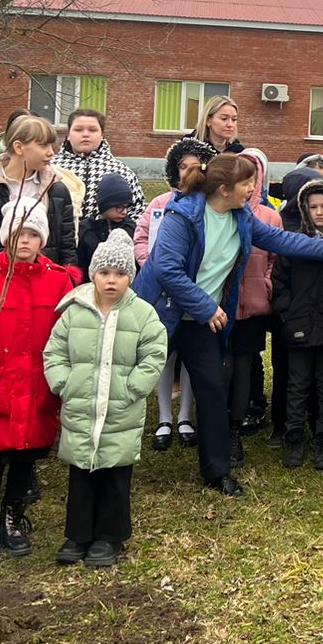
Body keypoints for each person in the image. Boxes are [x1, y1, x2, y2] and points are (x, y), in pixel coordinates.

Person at [134, 153, 323, 497]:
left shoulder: (241, 216)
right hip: (163, 314)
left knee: (213, 389)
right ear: (225, 188)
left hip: (201, 322)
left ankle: (217, 470)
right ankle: (112, 459)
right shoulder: (181, 217)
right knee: (133, 383)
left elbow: (281, 240)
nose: (253, 188)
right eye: (247, 183)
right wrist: (205, 305)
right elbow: (167, 269)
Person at [0, 197, 79, 558]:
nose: (24, 241)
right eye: (17, 234)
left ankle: (13, 512)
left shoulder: (57, 282)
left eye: (32, 234)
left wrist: (58, 372)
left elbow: (67, 330)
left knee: (26, 454)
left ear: (42, 240)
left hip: (38, 383)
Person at [44, 229, 167, 568]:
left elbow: (154, 354)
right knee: (81, 473)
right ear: (93, 274)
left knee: (114, 473)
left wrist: (134, 387)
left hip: (120, 410)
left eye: (120, 273)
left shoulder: (143, 315)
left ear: (131, 276)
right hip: (82, 407)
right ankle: (78, 533)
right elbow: (54, 352)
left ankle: (110, 536)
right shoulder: (74, 311)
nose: (112, 280)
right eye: (105, 273)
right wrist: (64, 382)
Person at [136, 137, 208, 452]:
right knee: (164, 354)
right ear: (174, 170)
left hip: (192, 290)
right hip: (161, 291)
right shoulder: (161, 203)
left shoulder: (208, 205)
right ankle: (164, 416)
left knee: (189, 358)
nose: (189, 171)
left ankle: (184, 416)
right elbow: (141, 237)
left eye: (196, 166)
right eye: (183, 166)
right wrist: (150, 264)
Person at [270, 177, 323, 470]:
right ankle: (294, 439)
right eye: (313, 206)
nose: (319, 212)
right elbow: (279, 282)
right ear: (303, 208)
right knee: (297, 385)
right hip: (297, 327)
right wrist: (287, 315)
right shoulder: (294, 241)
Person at [0, 115, 78, 267]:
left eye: (51, 145)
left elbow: (67, 247)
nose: (51, 152)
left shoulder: (57, 190)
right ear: (19, 147)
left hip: (45, 283)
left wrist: (67, 282)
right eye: (43, 145)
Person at [227, 148, 280, 458]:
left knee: (247, 363)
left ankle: (240, 420)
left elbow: (277, 255)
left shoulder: (269, 216)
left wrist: (267, 285)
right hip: (221, 306)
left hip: (254, 302)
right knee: (224, 365)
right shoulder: (218, 211)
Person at [51, 109, 145, 224]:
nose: (85, 134)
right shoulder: (52, 168)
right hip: (60, 238)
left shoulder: (120, 171)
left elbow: (138, 211)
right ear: (68, 134)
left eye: (93, 130)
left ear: (102, 135)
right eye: (78, 130)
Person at [77, 173, 137, 277]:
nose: (124, 212)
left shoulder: (130, 228)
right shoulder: (85, 231)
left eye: (127, 207)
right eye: (119, 207)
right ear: (105, 205)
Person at [192, 95, 245, 161]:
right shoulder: (189, 151)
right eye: (224, 118)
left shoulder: (240, 154)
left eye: (234, 119)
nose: (230, 124)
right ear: (208, 120)